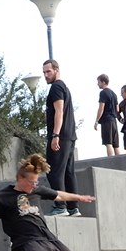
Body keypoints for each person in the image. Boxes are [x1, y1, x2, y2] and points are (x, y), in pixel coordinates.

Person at [43, 59, 79, 217]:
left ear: (56, 70)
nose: (45, 75)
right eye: (44, 72)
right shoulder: (64, 87)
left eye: (48, 71)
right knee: (68, 173)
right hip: (69, 136)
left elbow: (59, 111)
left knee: (54, 171)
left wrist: (55, 135)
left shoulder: (56, 87)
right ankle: (73, 208)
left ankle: (60, 206)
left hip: (61, 136)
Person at [93, 74, 120, 157]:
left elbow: (101, 108)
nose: (97, 84)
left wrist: (96, 121)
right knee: (116, 144)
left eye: (99, 82)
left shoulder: (103, 93)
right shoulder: (114, 94)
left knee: (108, 142)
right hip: (114, 120)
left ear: (103, 82)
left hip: (106, 120)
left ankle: (111, 162)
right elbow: (118, 109)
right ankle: (119, 163)